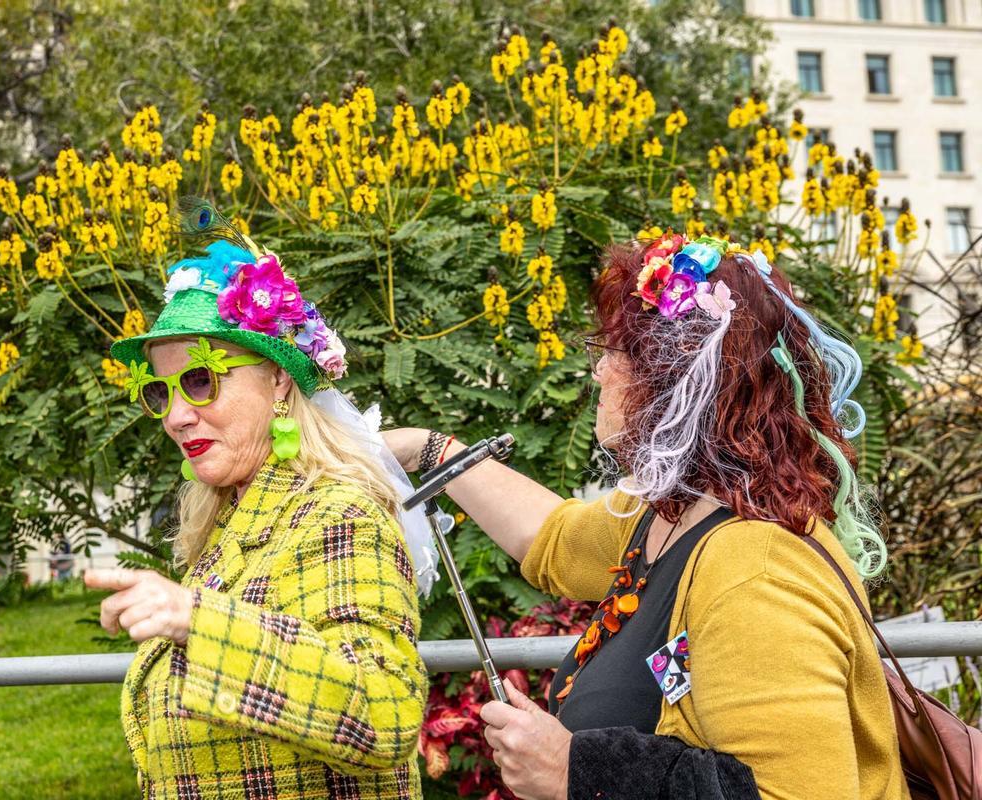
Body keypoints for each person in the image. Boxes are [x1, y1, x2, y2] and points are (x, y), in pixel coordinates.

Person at [385, 233, 906, 800]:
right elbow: (552, 538)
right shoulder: (679, 516)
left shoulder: (755, 571)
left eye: (614, 354)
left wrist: (574, 770)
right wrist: (426, 449)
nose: (598, 373)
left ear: (673, 382)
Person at [86, 207, 436, 800]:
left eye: (200, 380)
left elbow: (386, 710)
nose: (174, 416)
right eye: (159, 391)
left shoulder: (339, 513)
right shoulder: (230, 522)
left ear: (278, 381)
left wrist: (197, 619)